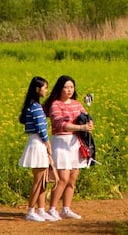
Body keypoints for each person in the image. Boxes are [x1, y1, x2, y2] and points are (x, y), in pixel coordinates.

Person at [44, 75, 93, 221]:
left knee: (72, 178)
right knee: (62, 179)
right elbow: (60, 124)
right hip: (61, 142)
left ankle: (66, 208)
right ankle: (52, 209)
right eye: (66, 87)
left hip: (75, 142)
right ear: (60, 88)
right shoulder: (55, 104)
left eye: (72, 87)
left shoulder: (77, 104)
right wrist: (81, 127)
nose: (69, 90)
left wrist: (89, 123)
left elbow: (85, 117)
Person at [18, 77, 56, 222]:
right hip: (38, 143)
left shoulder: (31, 105)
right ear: (37, 89)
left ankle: (40, 209)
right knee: (38, 180)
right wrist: (48, 144)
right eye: (45, 88)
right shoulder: (36, 107)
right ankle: (30, 211)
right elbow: (41, 129)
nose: (46, 90)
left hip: (36, 141)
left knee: (43, 179)